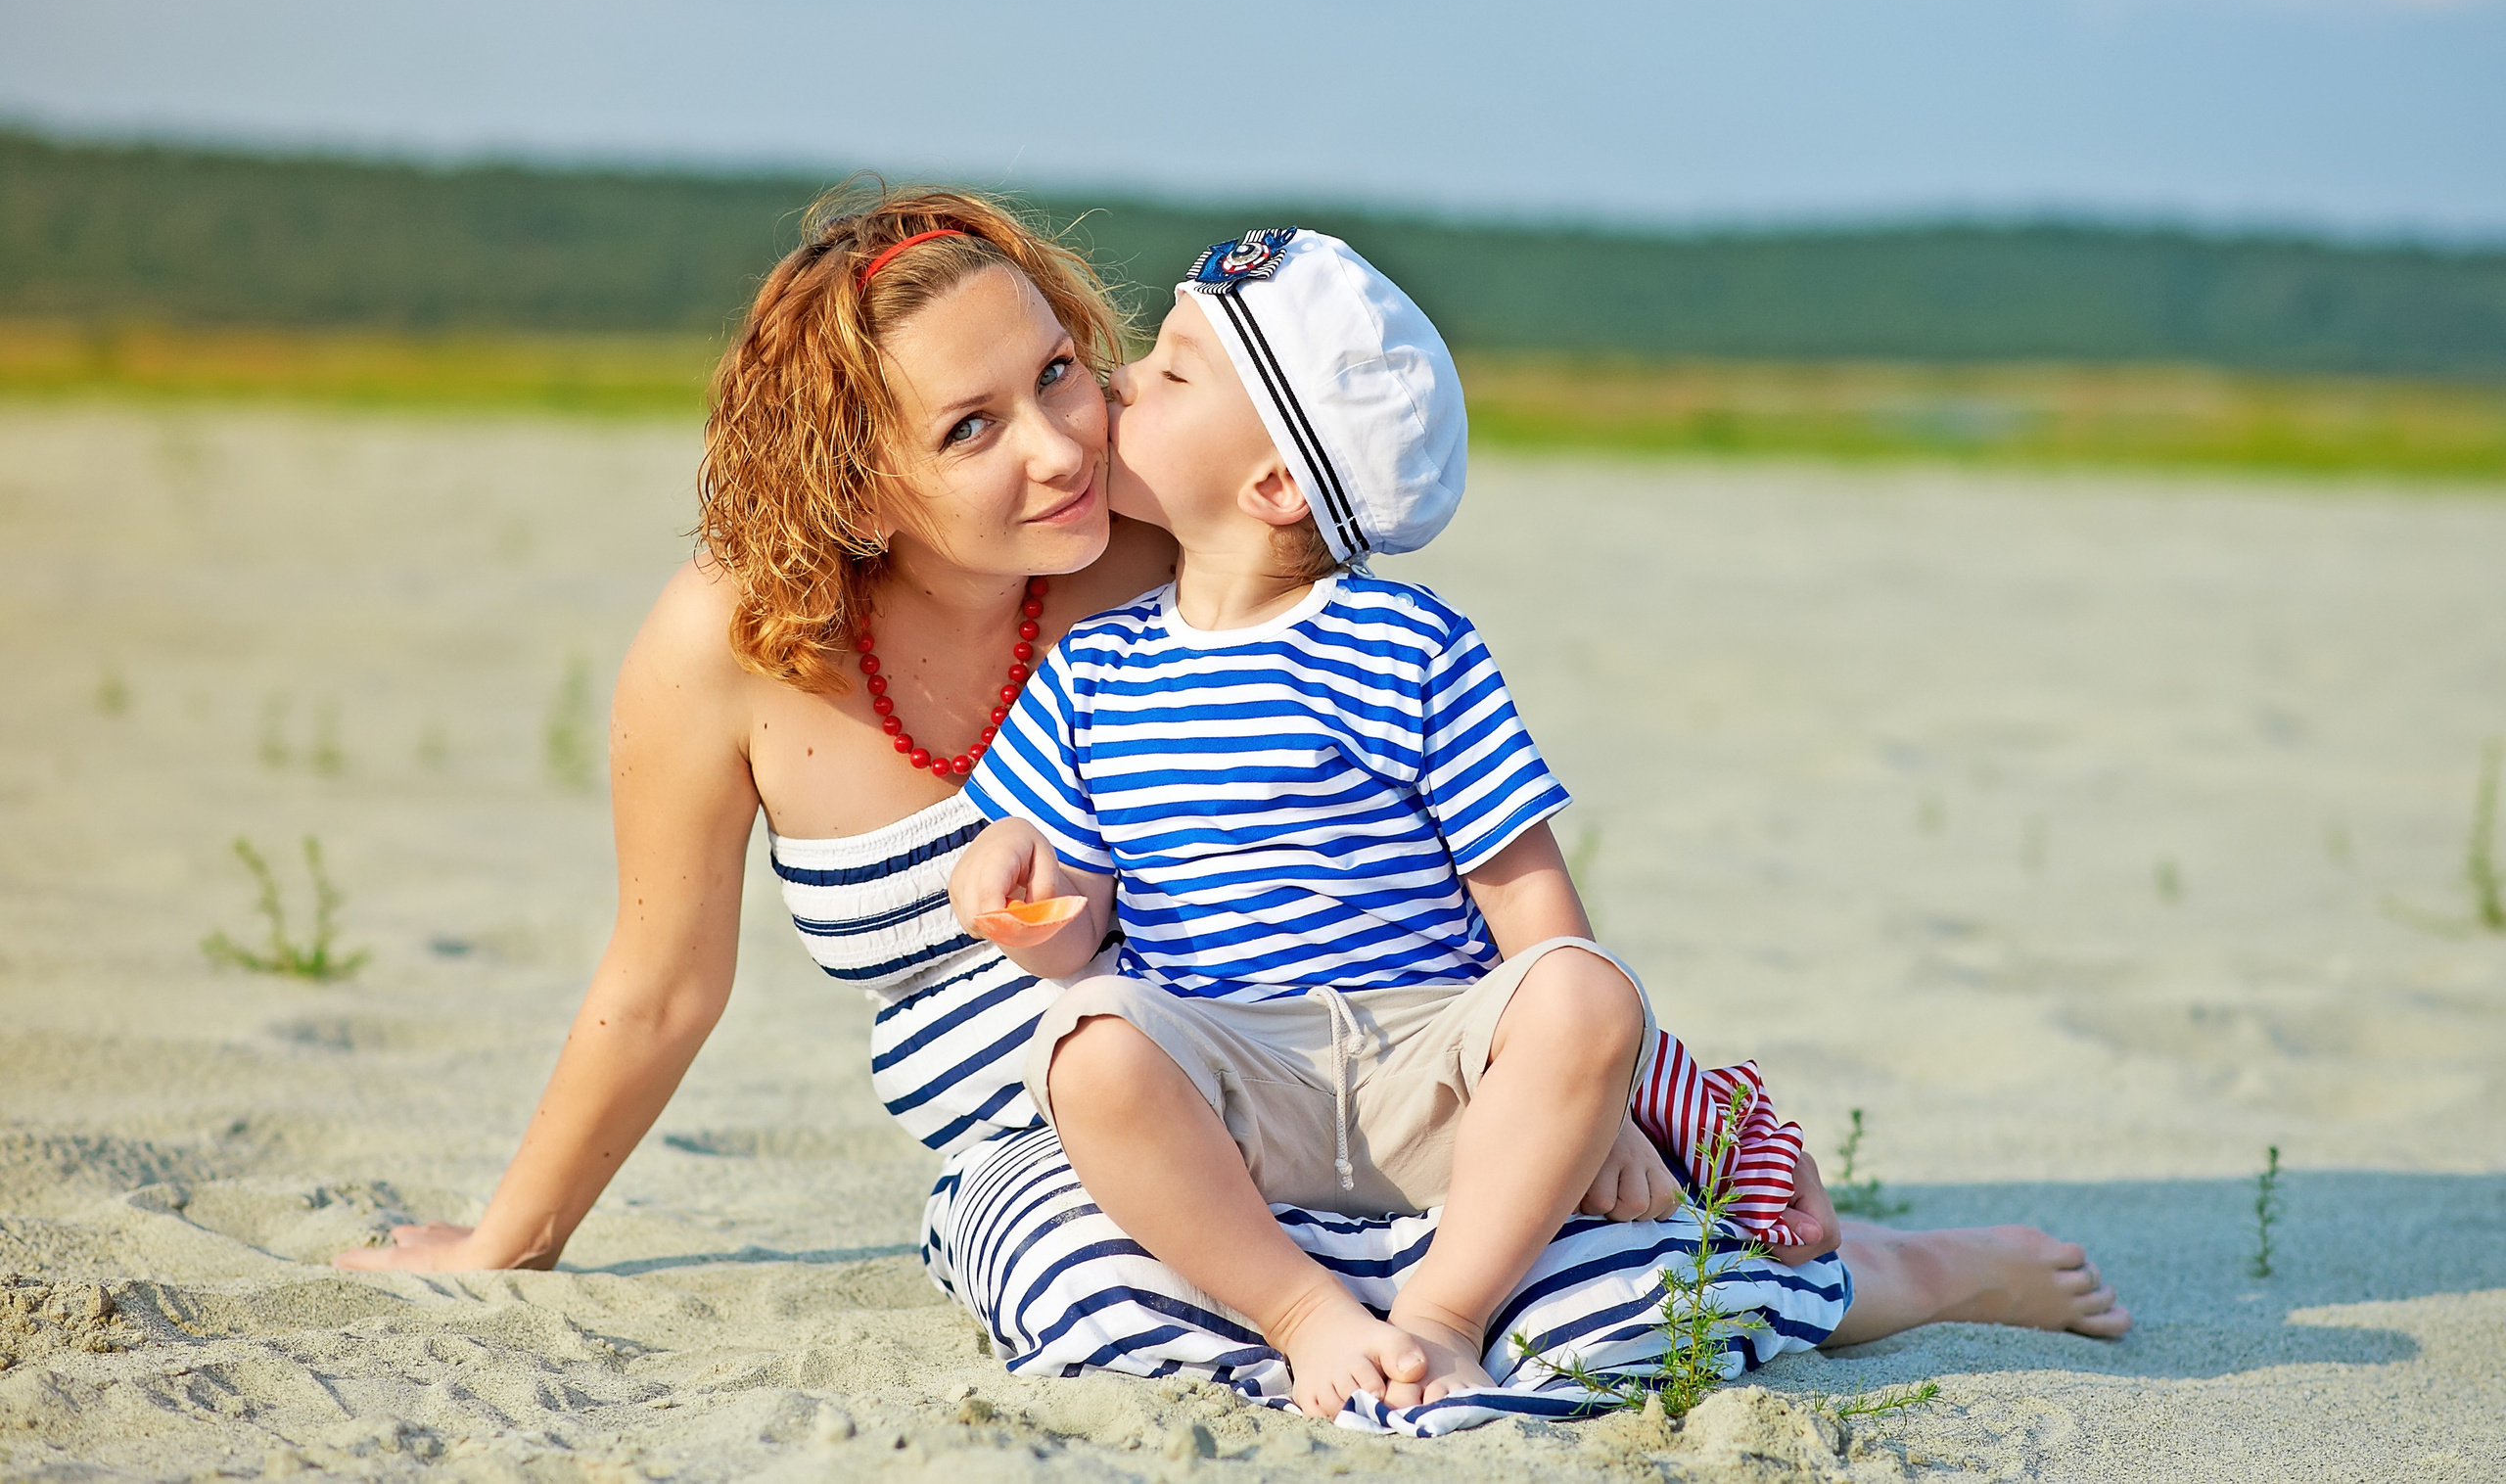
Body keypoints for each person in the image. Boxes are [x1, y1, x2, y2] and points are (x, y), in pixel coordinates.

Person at [334, 187, 2132, 1440]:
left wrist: (1631, 1085)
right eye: (969, 430)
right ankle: (1386, 1326)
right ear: (852, 475)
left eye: (1059, 371)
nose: (1057, 440)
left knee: (1587, 1300)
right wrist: (512, 1240)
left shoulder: (1159, 569)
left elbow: (1427, 844)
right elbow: (661, 987)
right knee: (1120, 1327)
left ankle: (1870, 1269)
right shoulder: (725, 645)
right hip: (1091, 1142)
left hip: (1341, 1074)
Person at [947, 229, 1830, 1415]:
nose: (1117, 385)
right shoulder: (1094, 669)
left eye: (1170, 373)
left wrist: (1609, 1106)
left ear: (1274, 486)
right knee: (1090, 1042)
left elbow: (1527, 900)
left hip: (1434, 1073)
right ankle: (1302, 1311)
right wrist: (1012, 894)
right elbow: (1075, 930)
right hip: (1236, 1078)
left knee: (1584, 987)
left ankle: (1440, 1320)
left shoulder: (1408, 645)